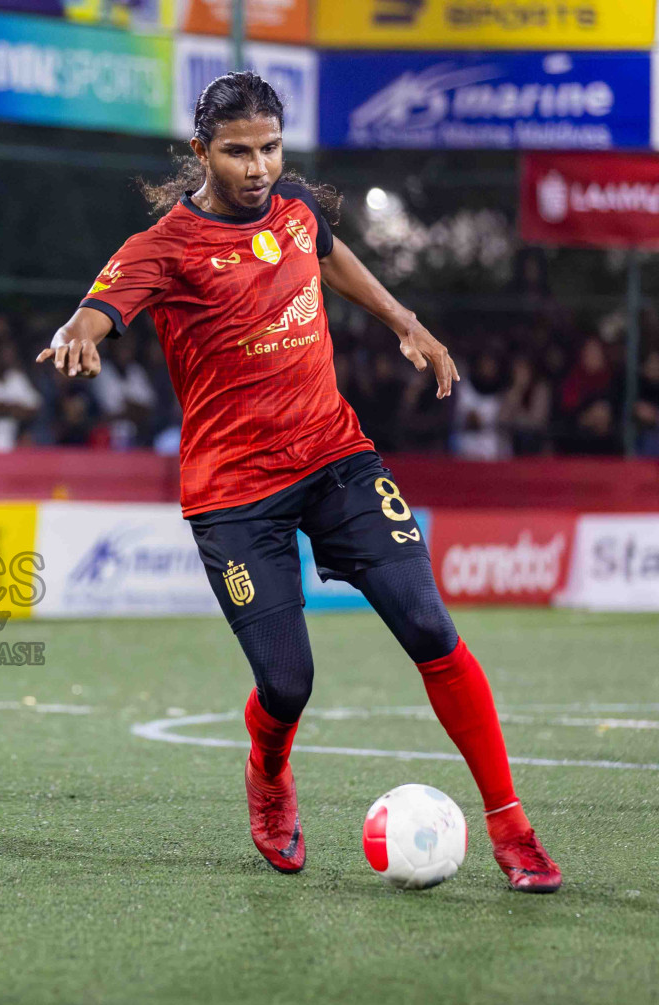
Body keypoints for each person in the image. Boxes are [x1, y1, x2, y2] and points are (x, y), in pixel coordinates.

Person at [37, 73, 560, 893]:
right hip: (235, 495)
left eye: (271, 148)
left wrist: (406, 322)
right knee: (288, 682)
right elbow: (98, 307)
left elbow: (328, 252)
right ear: (202, 151)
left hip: (335, 460)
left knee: (429, 628)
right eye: (239, 151)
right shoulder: (165, 247)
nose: (258, 167)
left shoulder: (296, 206)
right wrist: (79, 334)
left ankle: (513, 827)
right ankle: (269, 775)